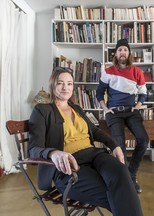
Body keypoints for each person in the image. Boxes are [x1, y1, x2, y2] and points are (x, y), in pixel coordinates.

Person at [28, 67, 143, 216]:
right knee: (118, 192)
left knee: (122, 173)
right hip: (69, 166)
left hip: (95, 155)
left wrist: (114, 145)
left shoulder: (76, 108)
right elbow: (33, 149)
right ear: (52, 85)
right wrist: (53, 153)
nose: (65, 87)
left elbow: (94, 131)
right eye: (60, 83)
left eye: (69, 83)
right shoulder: (42, 110)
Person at [96, 38, 149, 193]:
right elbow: (99, 93)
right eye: (119, 50)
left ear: (129, 52)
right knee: (120, 144)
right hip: (114, 113)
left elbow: (143, 94)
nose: (122, 52)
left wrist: (137, 107)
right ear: (116, 53)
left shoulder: (137, 72)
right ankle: (126, 179)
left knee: (144, 140)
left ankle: (131, 174)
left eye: (125, 49)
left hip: (131, 112)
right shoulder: (107, 71)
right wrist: (106, 109)